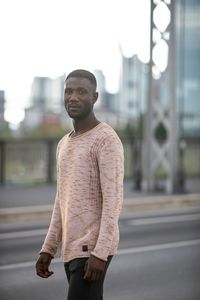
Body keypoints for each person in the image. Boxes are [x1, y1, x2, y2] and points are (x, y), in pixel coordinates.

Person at [35, 69, 124, 300]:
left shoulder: (106, 139)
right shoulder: (64, 144)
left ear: (94, 97)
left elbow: (113, 201)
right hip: (70, 248)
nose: (73, 97)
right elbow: (60, 200)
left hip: (92, 250)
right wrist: (48, 247)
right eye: (68, 91)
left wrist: (100, 253)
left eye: (81, 92)